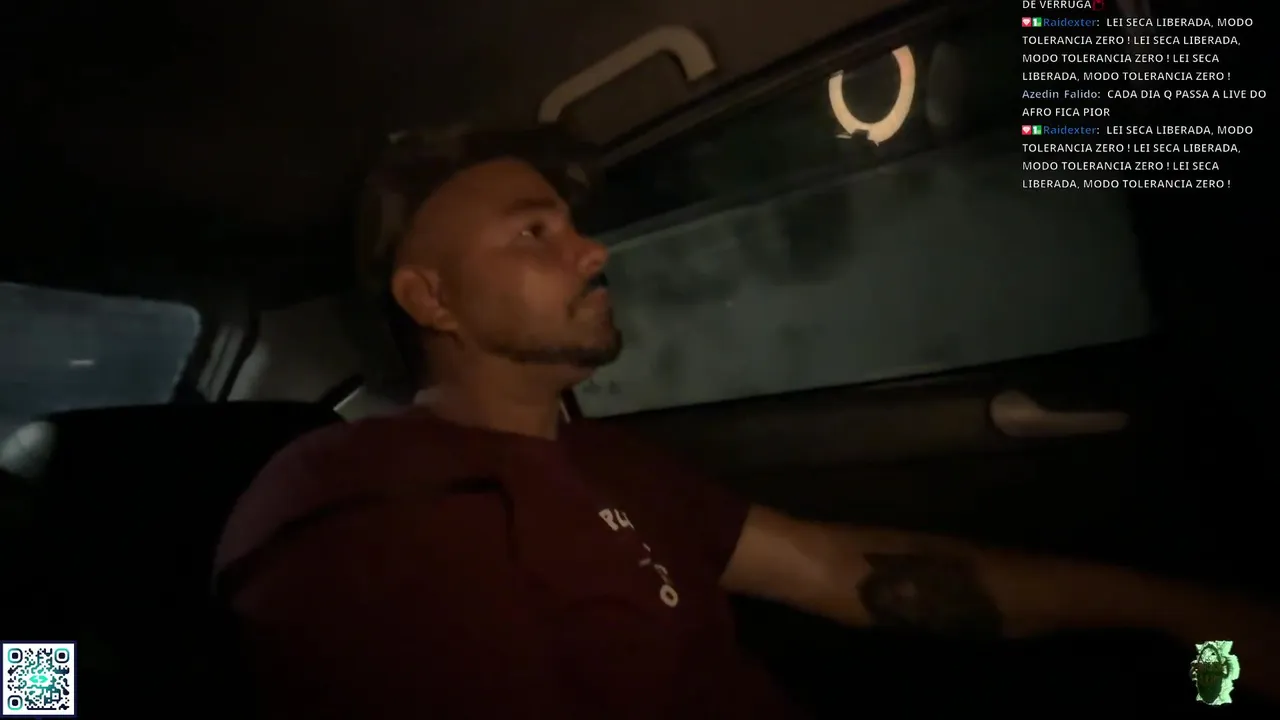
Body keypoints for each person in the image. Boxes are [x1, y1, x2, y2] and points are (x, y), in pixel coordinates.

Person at [214, 127, 1279, 719]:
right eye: (533, 233)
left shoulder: (606, 461)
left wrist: (1189, 615)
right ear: (432, 300)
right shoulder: (348, 496)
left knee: (1204, 695)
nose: (592, 251)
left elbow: (844, 573)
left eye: (574, 225)